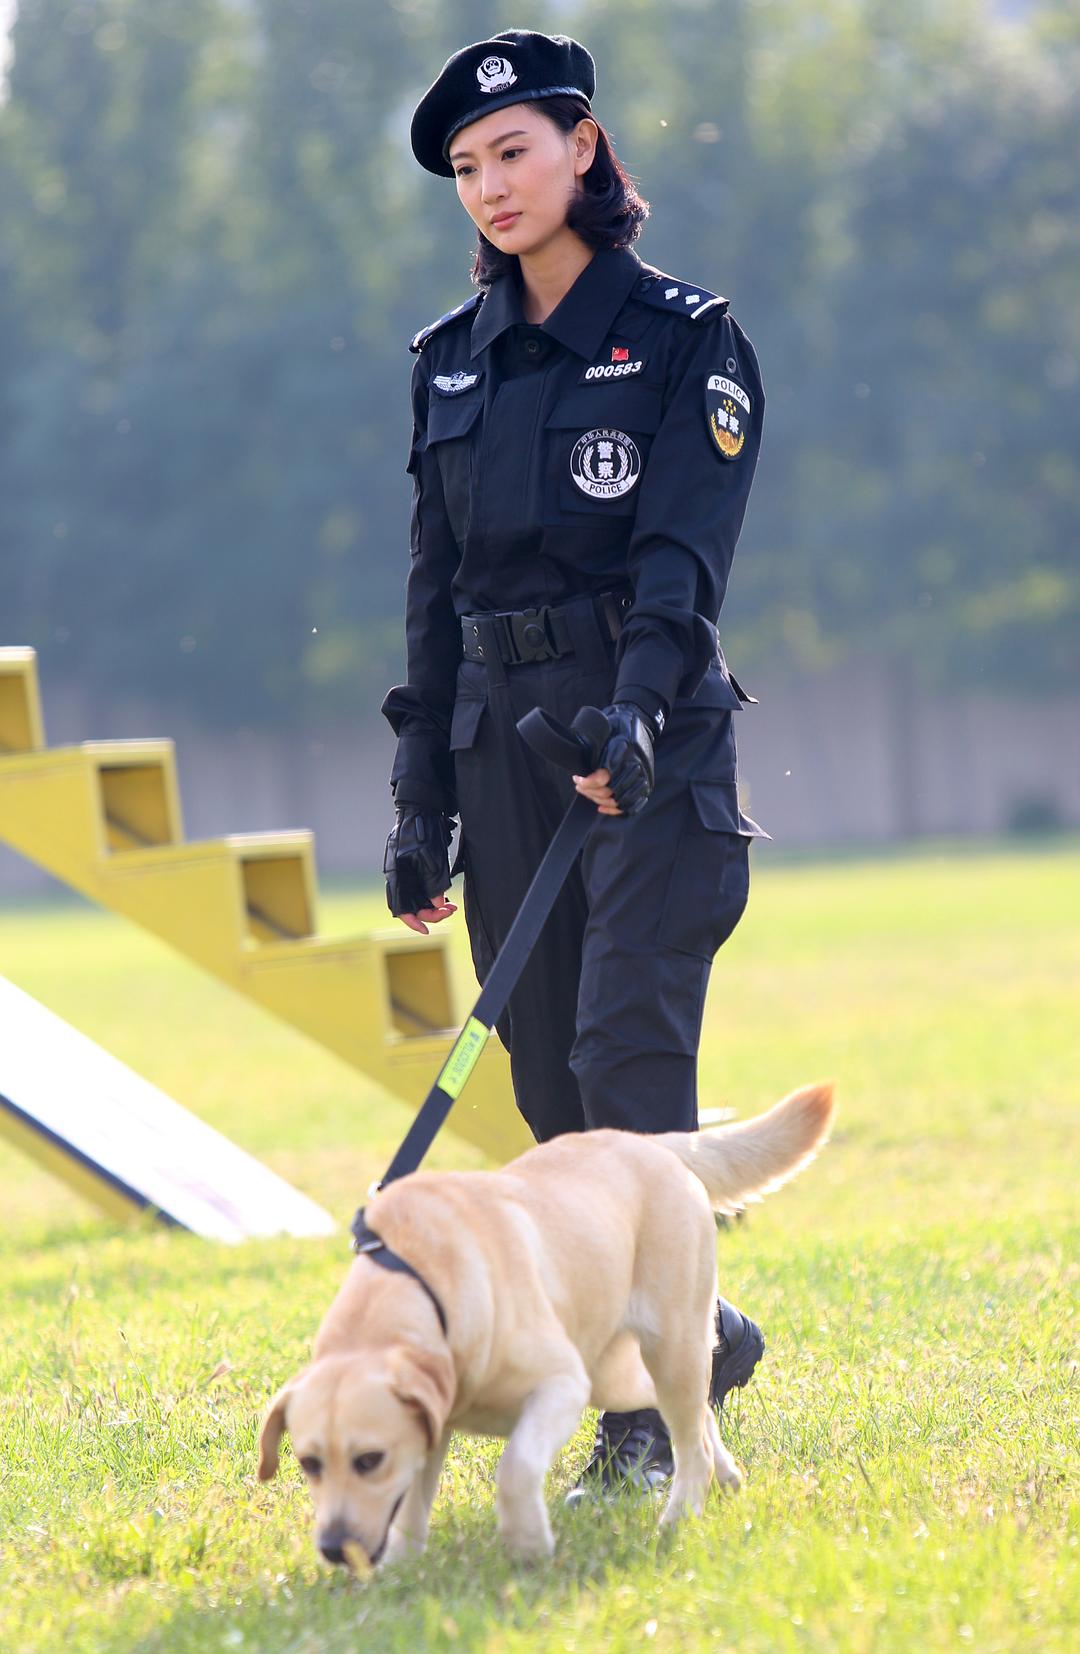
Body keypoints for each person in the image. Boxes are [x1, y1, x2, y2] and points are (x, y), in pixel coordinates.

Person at [382, 28, 767, 1501]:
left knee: (622, 1061)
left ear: (585, 147)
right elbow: (435, 581)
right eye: (468, 168)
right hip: (502, 750)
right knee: (548, 1087)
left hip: (647, 740)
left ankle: (640, 1419)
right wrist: (423, 789)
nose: (489, 184)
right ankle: (699, 1324)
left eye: (515, 152)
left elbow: (684, 552)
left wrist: (647, 709)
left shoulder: (683, 339)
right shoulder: (448, 364)